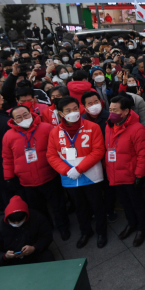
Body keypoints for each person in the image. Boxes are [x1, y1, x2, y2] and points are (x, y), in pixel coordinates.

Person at [46, 97, 108, 249]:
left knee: (97, 205)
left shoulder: (92, 127)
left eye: (75, 109)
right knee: (79, 207)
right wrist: (66, 170)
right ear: (61, 113)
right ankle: (85, 231)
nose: (73, 113)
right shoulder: (55, 132)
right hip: (69, 177)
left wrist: (79, 169)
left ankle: (101, 232)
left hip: (91, 175)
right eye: (68, 110)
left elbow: (98, 151)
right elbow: (51, 155)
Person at [3, 105, 71, 241]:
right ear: (13, 120)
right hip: (27, 181)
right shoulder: (8, 136)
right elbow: (7, 157)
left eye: (26, 114)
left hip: (49, 175)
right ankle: (47, 227)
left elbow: (59, 147)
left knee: (58, 205)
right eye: (19, 117)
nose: (24, 118)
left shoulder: (46, 128)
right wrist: (9, 176)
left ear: (31, 113)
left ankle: (63, 227)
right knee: (38, 209)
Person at [104, 95, 145, 247]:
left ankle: (142, 228)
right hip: (115, 174)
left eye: (115, 110)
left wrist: (139, 175)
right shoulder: (109, 126)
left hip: (131, 175)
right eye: (110, 109)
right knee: (125, 203)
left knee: (137, 203)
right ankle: (131, 224)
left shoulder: (137, 129)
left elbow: (143, 154)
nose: (111, 113)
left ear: (125, 112)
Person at [0, 196, 54, 266]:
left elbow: (47, 236)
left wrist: (34, 248)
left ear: (26, 216)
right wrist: (5, 256)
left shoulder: (37, 218)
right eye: (13, 222)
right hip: (11, 260)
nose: (17, 224)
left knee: (48, 257)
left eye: (20, 221)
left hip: (34, 254)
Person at [81, 91, 117, 223]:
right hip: (90, 159)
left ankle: (110, 209)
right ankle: (95, 211)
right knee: (94, 189)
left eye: (96, 102)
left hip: (108, 157)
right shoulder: (81, 120)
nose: (94, 105)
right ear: (84, 106)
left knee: (109, 187)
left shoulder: (110, 117)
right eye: (90, 103)